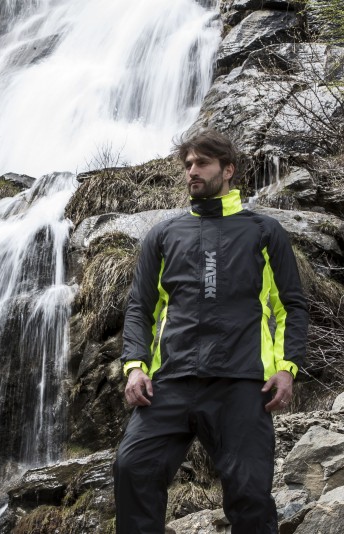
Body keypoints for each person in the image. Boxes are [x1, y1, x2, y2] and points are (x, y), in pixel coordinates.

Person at [112, 129, 309, 534]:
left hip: (241, 383)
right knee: (132, 468)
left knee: (250, 494)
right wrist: (134, 366)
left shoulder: (264, 232)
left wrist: (287, 369)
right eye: (187, 165)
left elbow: (292, 305)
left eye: (202, 163)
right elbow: (140, 309)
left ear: (228, 169)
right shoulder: (163, 235)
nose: (192, 172)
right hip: (170, 382)